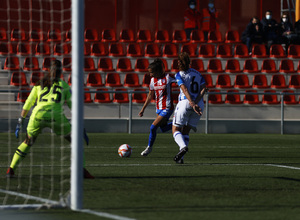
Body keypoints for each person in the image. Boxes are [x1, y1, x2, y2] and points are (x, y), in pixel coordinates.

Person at [6, 60, 94, 179]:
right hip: (56, 117)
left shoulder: (38, 84)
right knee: (76, 142)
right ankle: (82, 171)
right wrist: (81, 127)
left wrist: (20, 121)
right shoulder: (64, 85)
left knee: (27, 142)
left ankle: (11, 169)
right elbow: (74, 107)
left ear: (48, 70)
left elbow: (28, 104)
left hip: (38, 115)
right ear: (61, 72)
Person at [172, 52, 206, 164]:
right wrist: (196, 103)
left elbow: (185, 89)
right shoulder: (198, 74)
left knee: (175, 130)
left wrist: (191, 102)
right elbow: (203, 89)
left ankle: (182, 147)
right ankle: (181, 158)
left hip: (185, 103)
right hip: (199, 104)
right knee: (186, 131)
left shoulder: (179, 74)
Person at [139, 59, 176, 156]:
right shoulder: (152, 80)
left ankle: (149, 147)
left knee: (153, 127)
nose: (150, 75)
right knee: (163, 128)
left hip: (167, 107)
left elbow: (181, 82)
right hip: (158, 108)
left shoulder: (168, 77)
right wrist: (143, 109)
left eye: (151, 73)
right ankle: (181, 123)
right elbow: (150, 95)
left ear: (158, 71)